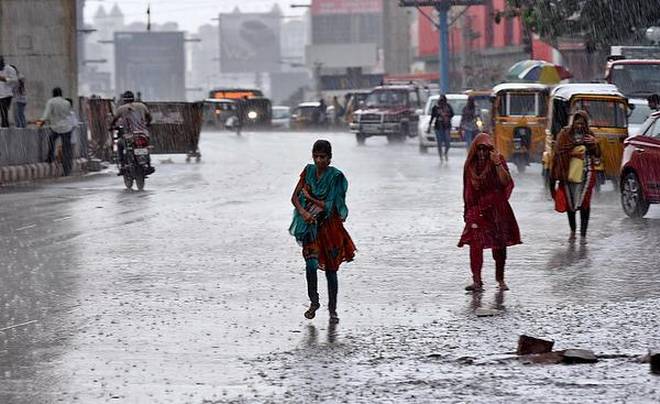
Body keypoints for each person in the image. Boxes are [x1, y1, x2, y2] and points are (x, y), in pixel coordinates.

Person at [289, 140, 356, 323]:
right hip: (309, 227)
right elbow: (294, 197)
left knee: (331, 272)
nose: (319, 160)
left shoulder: (336, 177)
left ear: (330, 158)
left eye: (323, 157)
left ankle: (333, 310)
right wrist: (303, 212)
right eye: (316, 156)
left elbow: (330, 206)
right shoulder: (308, 171)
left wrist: (310, 197)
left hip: (330, 228)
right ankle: (314, 301)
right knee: (310, 266)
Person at [458, 133, 521, 292]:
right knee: (475, 243)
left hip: (497, 209)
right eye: (479, 149)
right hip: (477, 210)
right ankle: (477, 280)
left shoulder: (497, 161)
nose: (481, 153)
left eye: (485, 150)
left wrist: (498, 163)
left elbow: (506, 182)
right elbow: (466, 190)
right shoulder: (470, 166)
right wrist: (467, 211)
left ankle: (500, 278)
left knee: (499, 245)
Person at [550, 110, 601, 240]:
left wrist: (594, 144)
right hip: (568, 173)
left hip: (586, 174)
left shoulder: (590, 135)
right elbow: (559, 152)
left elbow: (597, 154)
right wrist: (573, 153)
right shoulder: (565, 134)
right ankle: (573, 231)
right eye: (577, 123)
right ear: (573, 123)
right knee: (570, 204)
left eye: (583, 123)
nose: (580, 126)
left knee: (585, 203)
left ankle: (583, 233)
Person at [111, 90, 154, 175]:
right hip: (143, 134)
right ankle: (148, 165)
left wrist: (111, 127)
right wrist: (148, 123)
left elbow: (114, 120)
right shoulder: (142, 106)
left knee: (119, 144)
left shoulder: (121, 109)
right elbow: (149, 117)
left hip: (129, 135)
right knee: (146, 147)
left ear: (124, 100)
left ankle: (122, 166)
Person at [39, 87, 74, 176]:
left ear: (53, 93)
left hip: (56, 127)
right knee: (67, 149)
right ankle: (67, 169)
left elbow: (46, 114)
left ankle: (50, 157)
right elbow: (69, 114)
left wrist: (41, 122)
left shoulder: (51, 102)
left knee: (51, 140)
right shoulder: (66, 103)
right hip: (67, 128)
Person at [428, 95, 454, 162]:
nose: (442, 102)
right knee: (439, 143)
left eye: (443, 101)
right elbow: (432, 117)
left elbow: (452, 114)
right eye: (440, 101)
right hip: (438, 127)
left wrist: (446, 116)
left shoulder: (448, 107)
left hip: (447, 126)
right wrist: (429, 126)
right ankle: (441, 157)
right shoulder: (436, 108)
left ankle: (445, 153)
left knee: (448, 142)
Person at [0, 56, 18, 127]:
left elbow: (15, 80)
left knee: (4, 111)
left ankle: (5, 126)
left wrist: (5, 79)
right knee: (3, 112)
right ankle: (4, 125)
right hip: (1, 94)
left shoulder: (10, 69)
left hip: (7, 94)